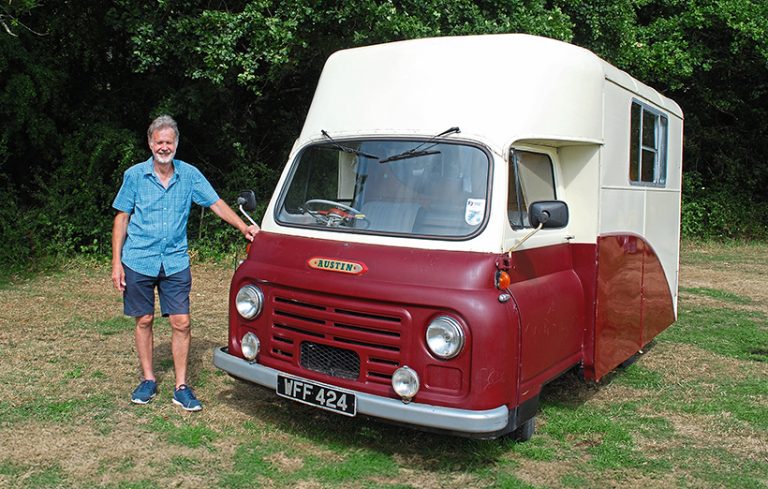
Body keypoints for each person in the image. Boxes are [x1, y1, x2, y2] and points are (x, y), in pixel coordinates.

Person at [111, 115, 258, 411]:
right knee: (144, 319)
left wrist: (244, 228)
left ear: (176, 144)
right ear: (150, 143)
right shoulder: (134, 176)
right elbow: (121, 217)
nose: (164, 147)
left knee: (182, 322)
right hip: (138, 259)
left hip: (175, 261)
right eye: (159, 142)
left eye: (169, 142)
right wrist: (116, 262)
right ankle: (149, 380)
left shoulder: (189, 175)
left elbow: (215, 203)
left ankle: (181, 386)